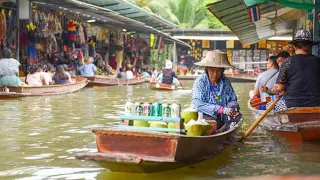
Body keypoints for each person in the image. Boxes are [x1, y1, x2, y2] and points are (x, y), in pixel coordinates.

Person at [270, 29, 320, 111]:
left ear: (295, 46)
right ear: (311, 46)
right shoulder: (318, 61)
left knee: (269, 104)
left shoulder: (287, 62)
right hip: (317, 105)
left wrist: (274, 89)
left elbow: (279, 88)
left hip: (292, 105)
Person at [192, 50, 241, 128]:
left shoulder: (226, 81)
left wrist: (232, 107)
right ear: (207, 69)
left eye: (218, 71)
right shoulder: (200, 82)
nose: (215, 74)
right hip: (205, 118)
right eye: (212, 70)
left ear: (222, 71)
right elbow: (197, 104)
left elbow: (232, 99)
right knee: (212, 123)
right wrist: (221, 109)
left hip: (224, 117)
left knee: (237, 117)